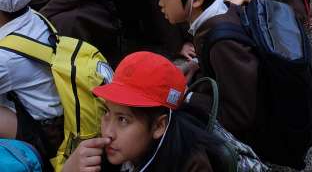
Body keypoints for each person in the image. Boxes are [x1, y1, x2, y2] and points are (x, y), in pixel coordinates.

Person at [143, 0, 262, 150]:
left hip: (253, 136)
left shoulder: (224, 44)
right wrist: (197, 64)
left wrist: (187, 96)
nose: (160, 3)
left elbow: (239, 115)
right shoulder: (217, 12)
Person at [63, 50, 224, 172]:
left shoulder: (191, 165)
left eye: (123, 119)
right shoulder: (104, 157)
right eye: (106, 112)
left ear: (159, 126)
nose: (108, 133)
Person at [0, 0, 64, 162]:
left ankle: (27, 158)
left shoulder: (6, 58)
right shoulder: (32, 16)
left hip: (45, 134)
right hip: (53, 114)